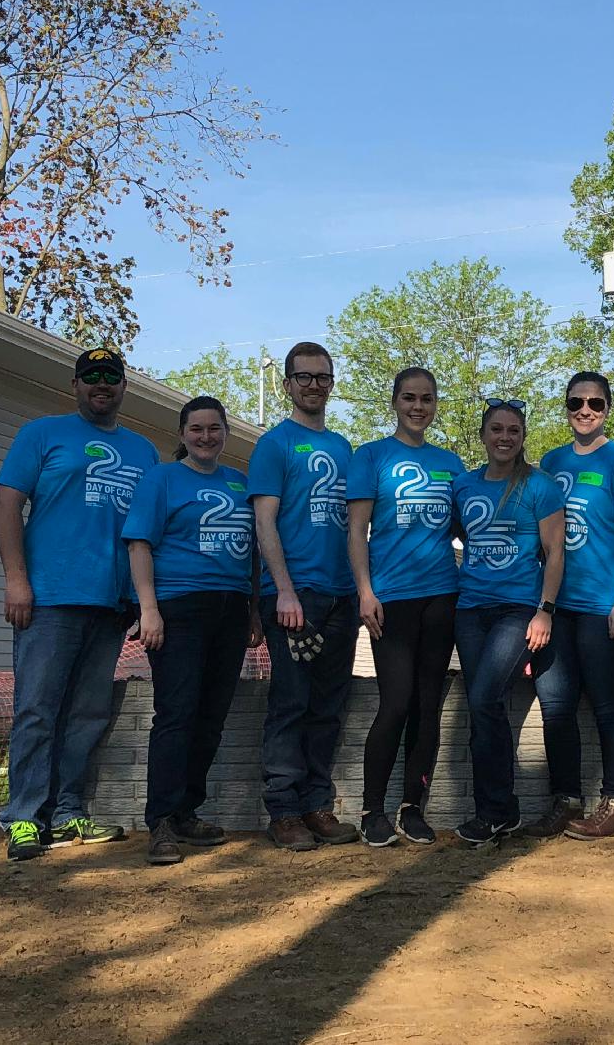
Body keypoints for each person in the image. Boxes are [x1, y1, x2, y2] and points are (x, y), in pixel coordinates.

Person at [0, 347, 158, 862]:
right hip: (49, 599)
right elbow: (6, 503)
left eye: (111, 377)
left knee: (87, 713)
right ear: (76, 385)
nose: (101, 385)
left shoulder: (144, 451)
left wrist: (141, 599)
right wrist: (17, 580)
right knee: (37, 710)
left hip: (110, 604)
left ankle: (67, 812)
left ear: (124, 387)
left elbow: (149, 530)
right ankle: (23, 817)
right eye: (92, 378)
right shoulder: (42, 434)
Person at [124, 396, 261, 865]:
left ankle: (186, 811)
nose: (206, 436)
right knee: (177, 714)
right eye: (197, 429)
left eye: (214, 428)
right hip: (178, 608)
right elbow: (140, 544)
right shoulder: (162, 479)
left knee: (210, 717)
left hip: (231, 609)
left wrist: (255, 615)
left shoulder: (241, 484)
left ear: (225, 433)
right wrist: (149, 610)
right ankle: (161, 820)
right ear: (182, 435)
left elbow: (253, 555)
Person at [249, 341, 360, 850]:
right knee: (291, 702)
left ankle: (317, 803)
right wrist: (284, 592)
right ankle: (284, 809)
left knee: (328, 706)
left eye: (322, 376)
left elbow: (358, 527)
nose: (313, 384)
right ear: (288, 384)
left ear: (331, 383)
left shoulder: (343, 447)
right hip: (295, 597)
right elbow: (264, 522)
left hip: (341, 596)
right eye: (304, 377)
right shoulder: (275, 444)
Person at [346, 367, 464, 847]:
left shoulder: (451, 463)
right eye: (410, 398)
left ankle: (413, 808)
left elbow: (468, 527)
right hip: (390, 600)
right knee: (395, 704)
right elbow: (356, 530)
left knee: (427, 709)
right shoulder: (371, 456)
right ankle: (373, 809)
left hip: (442, 596)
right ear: (394, 401)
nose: (419, 407)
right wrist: (365, 591)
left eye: (427, 399)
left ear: (436, 405)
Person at [534, 372, 614, 840]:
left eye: (595, 404)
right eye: (576, 402)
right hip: (556, 607)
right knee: (556, 706)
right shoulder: (551, 461)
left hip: (606, 607)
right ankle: (565, 798)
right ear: (566, 406)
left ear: (607, 408)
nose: (585, 410)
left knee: (609, 707)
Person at [452, 399, 566, 847]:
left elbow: (555, 551)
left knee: (482, 698)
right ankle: (502, 811)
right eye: (496, 429)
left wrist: (545, 609)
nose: (504, 437)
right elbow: (465, 534)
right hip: (470, 608)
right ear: (483, 435)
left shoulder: (540, 486)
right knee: (487, 707)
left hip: (518, 609)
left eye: (513, 430)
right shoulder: (463, 485)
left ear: (522, 436)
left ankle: (493, 812)